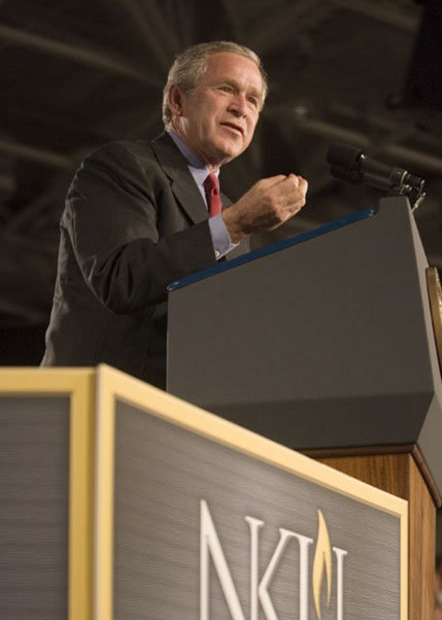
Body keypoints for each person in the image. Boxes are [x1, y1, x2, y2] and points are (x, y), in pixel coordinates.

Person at [41, 41, 308, 388]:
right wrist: (235, 225)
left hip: (185, 414)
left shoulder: (231, 212)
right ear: (177, 100)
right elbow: (122, 280)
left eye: (253, 100)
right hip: (98, 405)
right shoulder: (122, 167)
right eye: (227, 89)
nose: (242, 108)